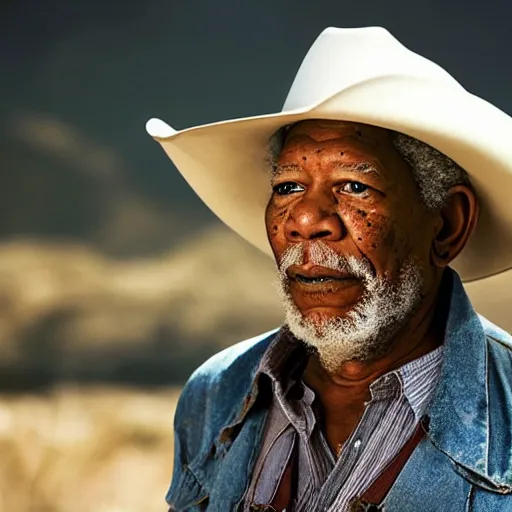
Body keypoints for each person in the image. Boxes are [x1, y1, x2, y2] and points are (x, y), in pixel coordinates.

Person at [146, 27, 512, 511]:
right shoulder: (216, 394)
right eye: (288, 187)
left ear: (446, 224)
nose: (304, 220)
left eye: (355, 186)